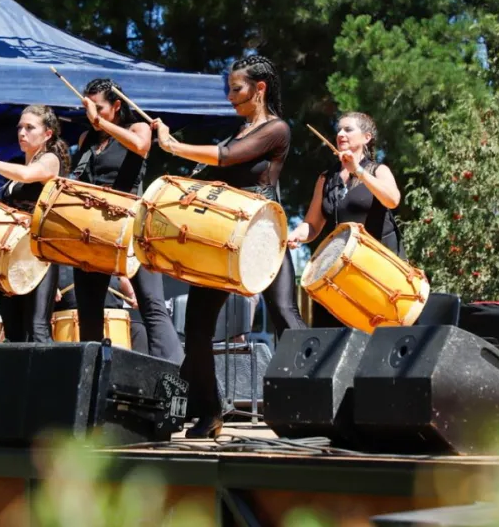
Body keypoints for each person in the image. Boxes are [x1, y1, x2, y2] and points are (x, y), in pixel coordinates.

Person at [152, 55, 307, 438]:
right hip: (225, 236)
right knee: (197, 326)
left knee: (284, 314)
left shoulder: (276, 130)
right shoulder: (239, 131)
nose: (230, 96)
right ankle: (210, 412)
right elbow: (216, 167)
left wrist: (175, 146)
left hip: (263, 232)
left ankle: (314, 403)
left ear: (260, 89)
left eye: (237, 89)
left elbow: (227, 158)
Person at [69, 79, 184, 364]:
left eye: (99, 108)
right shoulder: (86, 139)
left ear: (117, 105)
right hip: (94, 228)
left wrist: (102, 123)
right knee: (89, 309)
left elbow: (141, 146)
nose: (92, 115)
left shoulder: (137, 128)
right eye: (88, 108)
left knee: (152, 304)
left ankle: (176, 374)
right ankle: (94, 375)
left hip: (131, 224)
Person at [286, 112, 402, 328]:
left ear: (366, 137)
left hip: (377, 272)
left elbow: (392, 200)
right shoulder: (326, 178)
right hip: (339, 272)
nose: (340, 134)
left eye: (348, 129)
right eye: (339, 129)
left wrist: (358, 171)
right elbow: (312, 224)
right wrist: (297, 235)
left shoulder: (379, 170)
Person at [0, 105, 70, 343]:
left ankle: (46, 369)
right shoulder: (17, 171)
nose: (22, 133)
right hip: (11, 257)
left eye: (30, 128)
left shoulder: (50, 160)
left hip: (38, 255)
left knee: (37, 328)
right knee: (13, 331)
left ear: (47, 134)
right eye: (20, 127)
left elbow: (26, 175)